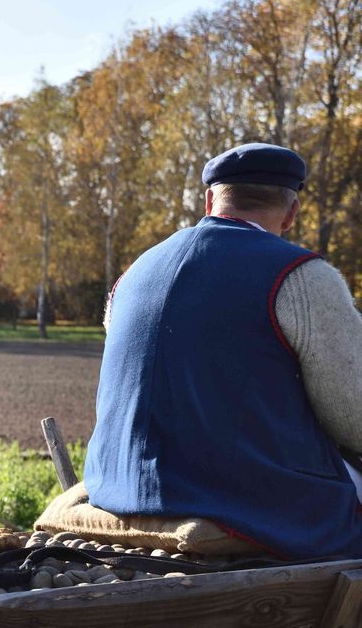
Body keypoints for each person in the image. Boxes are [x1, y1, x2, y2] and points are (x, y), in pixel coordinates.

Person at [81, 142, 362, 559]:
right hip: (245, 500)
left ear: (210, 199)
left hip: (116, 482)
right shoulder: (302, 276)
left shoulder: (133, 272)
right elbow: (353, 417)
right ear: (291, 211)